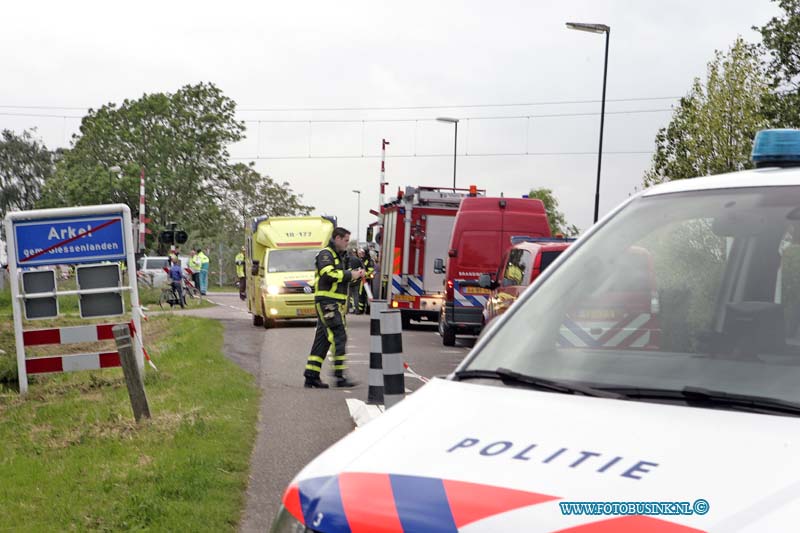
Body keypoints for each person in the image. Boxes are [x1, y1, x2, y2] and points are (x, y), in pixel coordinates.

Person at [303, 227, 364, 389]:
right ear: (336, 238)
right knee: (339, 335)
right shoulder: (326, 254)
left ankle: (311, 376)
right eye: (345, 240)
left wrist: (355, 276)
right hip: (327, 303)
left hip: (335, 304)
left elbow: (342, 279)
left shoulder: (341, 257)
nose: (347, 243)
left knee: (322, 340)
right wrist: (350, 275)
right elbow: (328, 274)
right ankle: (339, 376)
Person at [357, 247, 374, 314]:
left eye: (363, 253)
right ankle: (361, 310)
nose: (362, 254)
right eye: (361, 253)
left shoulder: (369, 261)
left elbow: (371, 270)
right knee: (361, 295)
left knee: (368, 296)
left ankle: (368, 310)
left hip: (367, 281)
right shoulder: (361, 260)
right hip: (362, 280)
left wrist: (365, 274)